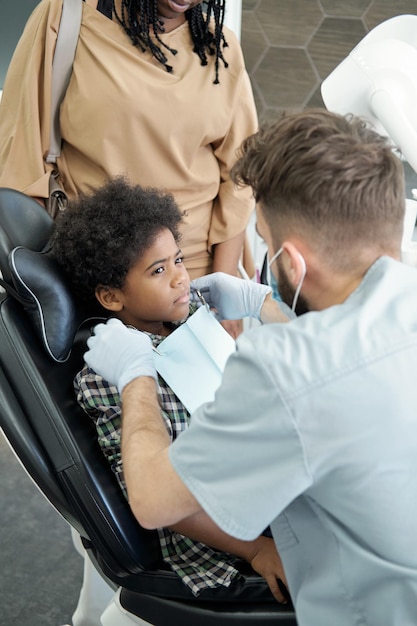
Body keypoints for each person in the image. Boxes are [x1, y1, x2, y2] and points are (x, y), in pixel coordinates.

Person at [83, 109, 417, 625]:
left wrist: (134, 375)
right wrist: (265, 302)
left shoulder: (285, 369)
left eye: (262, 243)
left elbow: (152, 500)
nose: (178, 278)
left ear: (293, 263)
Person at [51, 175, 289, 603]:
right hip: (225, 535)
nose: (181, 278)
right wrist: (255, 549)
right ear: (110, 296)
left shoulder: (192, 313)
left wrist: (259, 304)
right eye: (159, 270)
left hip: (261, 483)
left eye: (178, 260)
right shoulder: (110, 376)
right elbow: (164, 500)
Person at [0, 1, 257, 302]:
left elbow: (240, 178)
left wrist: (224, 295)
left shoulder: (219, 47)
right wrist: (43, 284)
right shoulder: (69, 15)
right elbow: (21, 150)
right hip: (93, 278)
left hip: (192, 282)